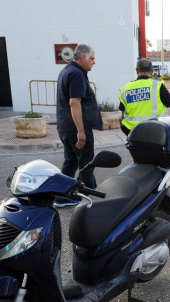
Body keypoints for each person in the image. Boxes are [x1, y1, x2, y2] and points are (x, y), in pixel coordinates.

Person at [56, 44, 102, 206]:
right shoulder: (76, 74)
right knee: (87, 164)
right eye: (92, 58)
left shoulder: (67, 71)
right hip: (75, 129)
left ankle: (61, 197)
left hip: (65, 127)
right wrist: (81, 132)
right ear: (82, 57)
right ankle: (94, 201)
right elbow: (74, 103)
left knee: (70, 162)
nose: (93, 62)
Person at [119, 58, 170, 136]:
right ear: (152, 71)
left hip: (132, 132)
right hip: (154, 131)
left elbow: (122, 114)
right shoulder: (157, 86)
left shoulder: (126, 88)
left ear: (137, 71)